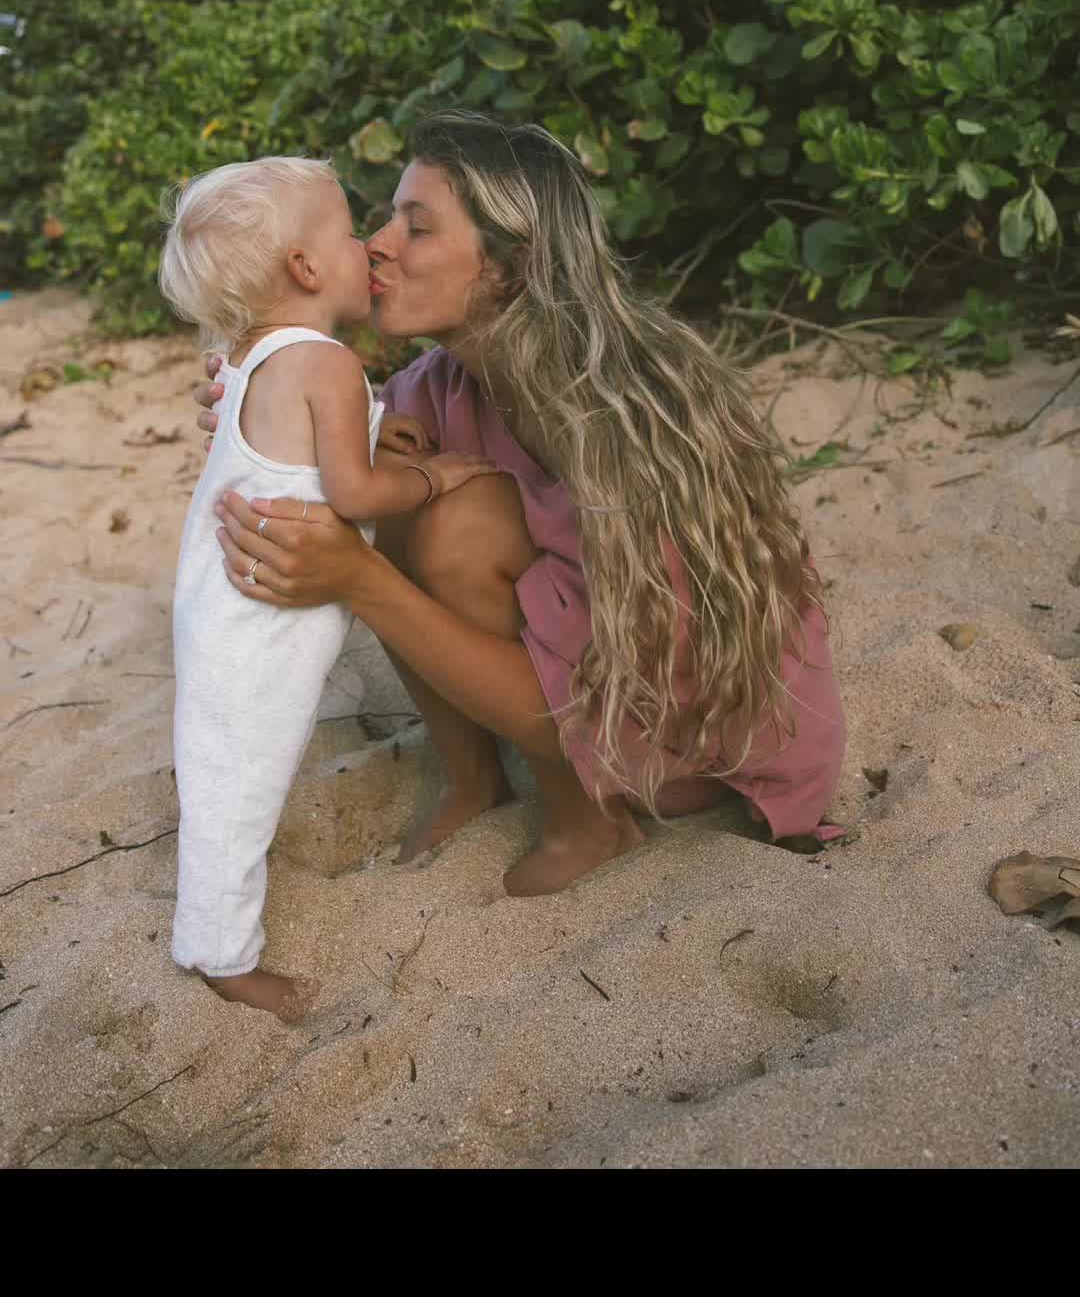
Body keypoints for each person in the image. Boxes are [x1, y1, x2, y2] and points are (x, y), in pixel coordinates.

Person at [197, 112, 845, 903]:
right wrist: (263, 414)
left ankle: (588, 822)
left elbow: (642, 692)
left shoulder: (632, 420)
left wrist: (359, 580)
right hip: (587, 696)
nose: (376, 245)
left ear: (510, 265)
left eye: (416, 227)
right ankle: (473, 780)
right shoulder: (437, 387)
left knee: (453, 528)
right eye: (387, 218)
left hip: (678, 740)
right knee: (378, 481)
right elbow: (334, 467)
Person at [162, 155, 497, 1021]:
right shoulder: (328, 364)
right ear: (307, 268)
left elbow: (299, 446)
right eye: (351, 233)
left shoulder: (251, 354)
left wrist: (381, 427)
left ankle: (219, 937)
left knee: (224, 766)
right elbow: (351, 495)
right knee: (240, 783)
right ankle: (221, 954)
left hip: (224, 601)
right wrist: (434, 478)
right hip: (264, 615)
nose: (368, 247)